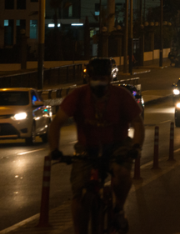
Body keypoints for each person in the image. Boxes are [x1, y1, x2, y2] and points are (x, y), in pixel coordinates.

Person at [49, 58, 144, 234]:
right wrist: (55, 150)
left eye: (103, 78)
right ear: (88, 78)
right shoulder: (77, 96)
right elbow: (57, 123)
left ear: (110, 78)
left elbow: (137, 123)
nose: (99, 82)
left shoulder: (121, 95)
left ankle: (118, 209)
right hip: (87, 148)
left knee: (122, 174)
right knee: (79, 194)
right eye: (95, 78)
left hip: (117, 145)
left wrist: (136, 147)